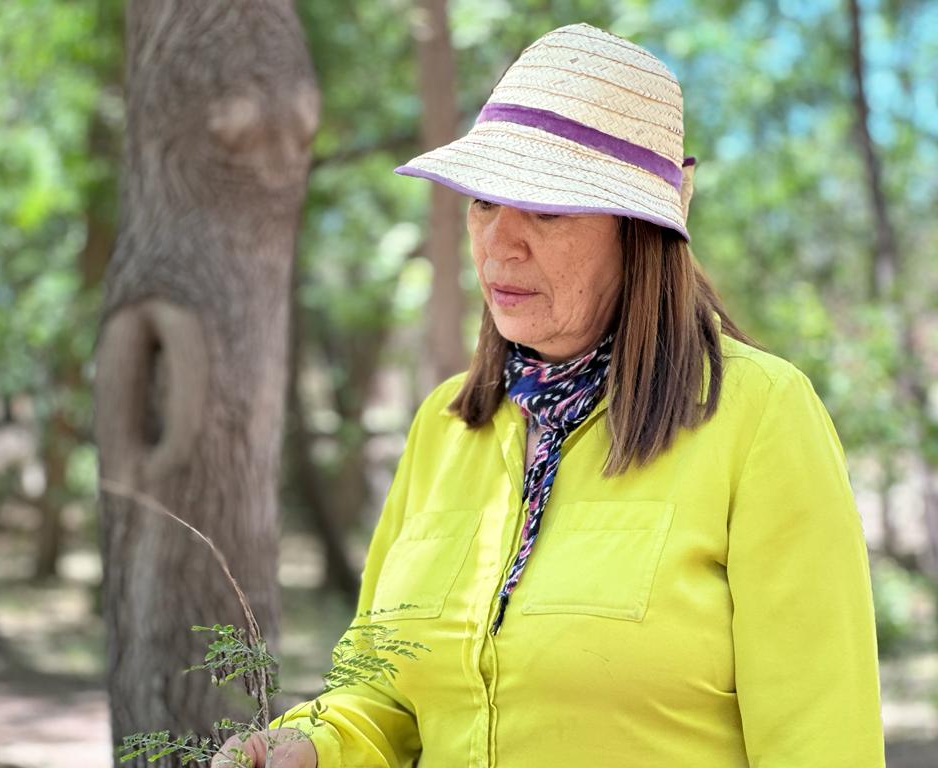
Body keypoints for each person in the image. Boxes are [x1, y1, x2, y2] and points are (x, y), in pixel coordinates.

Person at [217, 22, 885, 768]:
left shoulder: (759, 416)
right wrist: (312, 746)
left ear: (637, 233)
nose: (499, 244)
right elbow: (381, 695)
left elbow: (823, 744)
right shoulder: (444, 428)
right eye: (484, 202)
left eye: (546, 208)